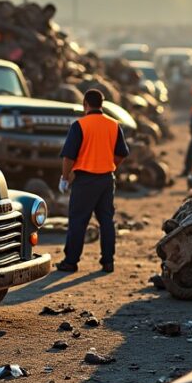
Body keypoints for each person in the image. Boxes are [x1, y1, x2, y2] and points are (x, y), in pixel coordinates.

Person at [56, 89, 130, 273]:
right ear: (102, 104)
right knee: (106, 221)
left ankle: (71, 262)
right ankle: (108, 262)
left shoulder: (80, 125)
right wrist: (110, 165)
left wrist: (65, 178)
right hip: (106, 179)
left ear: (85, 104)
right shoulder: (114, 125)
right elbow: (122, 154)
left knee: (78, 221)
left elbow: (68, 157)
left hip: (85, 181)